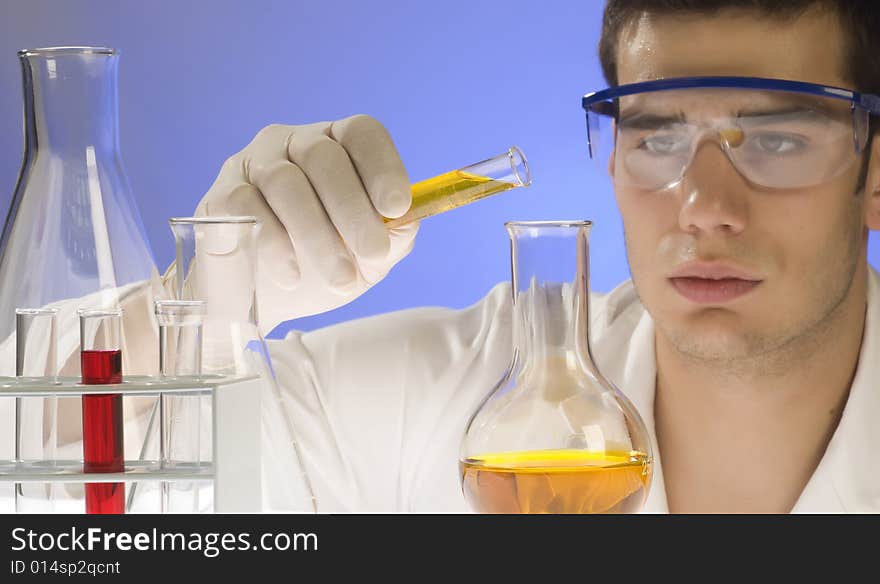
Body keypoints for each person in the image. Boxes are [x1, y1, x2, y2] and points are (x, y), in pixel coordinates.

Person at [196, 0, 880, 513]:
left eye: (779, 141)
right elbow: (114, 500)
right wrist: (198, 311)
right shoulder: (451, 405)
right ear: (614, 161)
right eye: (659, 137)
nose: (704, 205)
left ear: (874, 174)